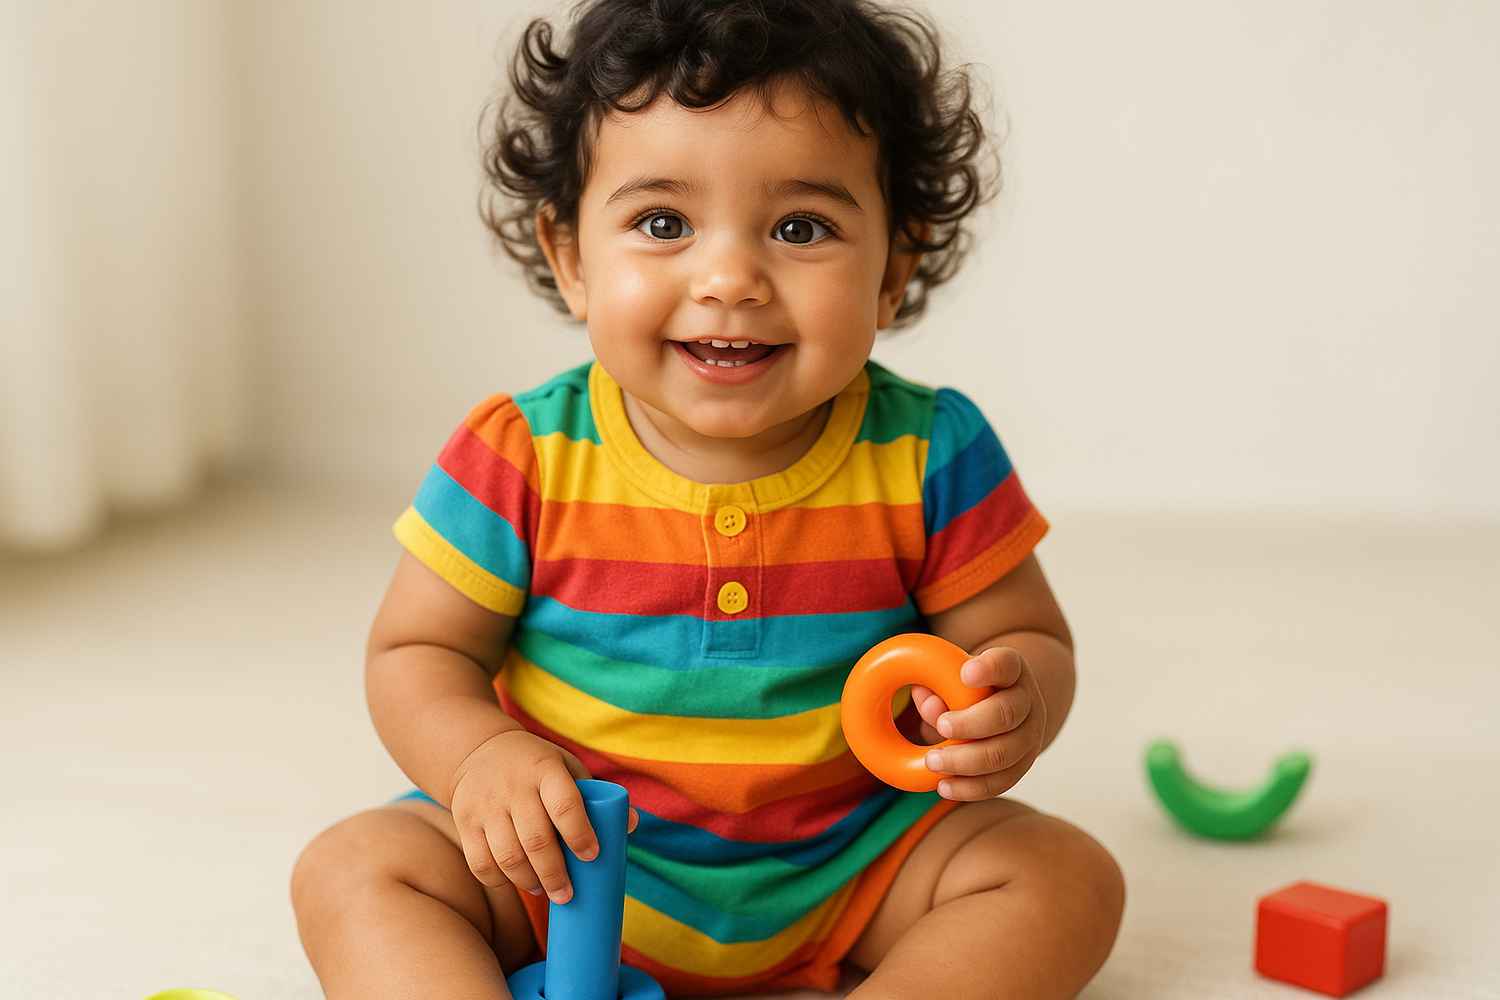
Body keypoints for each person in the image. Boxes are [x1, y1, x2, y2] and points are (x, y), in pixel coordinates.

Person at [290, 0, 1125, 997]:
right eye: (662, 222)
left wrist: (1014, 705)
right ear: (571, 260)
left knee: (1065, 876)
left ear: (895, 267)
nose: (729, 277)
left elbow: (1029, 637)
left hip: (853, 866)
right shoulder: (518, 454)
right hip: (562, 868)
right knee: (353, 869)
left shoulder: (929, 451)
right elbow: (416, 652)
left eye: (801, 226)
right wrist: (480, 762)